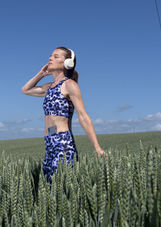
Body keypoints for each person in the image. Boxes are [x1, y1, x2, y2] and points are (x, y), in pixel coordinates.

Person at [21, 46, 105, 182]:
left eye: (56, 56)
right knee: (49, 190)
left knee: (63, 189)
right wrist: (41, 74)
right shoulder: (49, 87)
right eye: (50, 55)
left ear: (67, 63)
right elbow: (25, 90)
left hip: (63, 142)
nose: (50, 58)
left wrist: (97, 147)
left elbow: (83, 116)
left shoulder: (69, 85)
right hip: (49, 143)